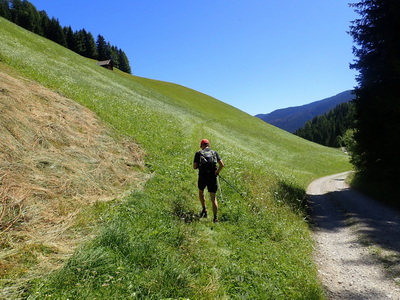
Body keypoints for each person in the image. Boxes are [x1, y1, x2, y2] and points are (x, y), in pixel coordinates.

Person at [193, 139, 224, 223]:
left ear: (201, 145)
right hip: (212, 177)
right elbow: (222, 164)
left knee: (201, 192)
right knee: (213, 198)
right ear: (209, 145)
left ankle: (204, 209)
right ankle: (215, 218)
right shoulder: (214, 153)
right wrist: (217, 171)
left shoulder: (198, 153)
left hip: (203, 176)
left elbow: (195, 167)